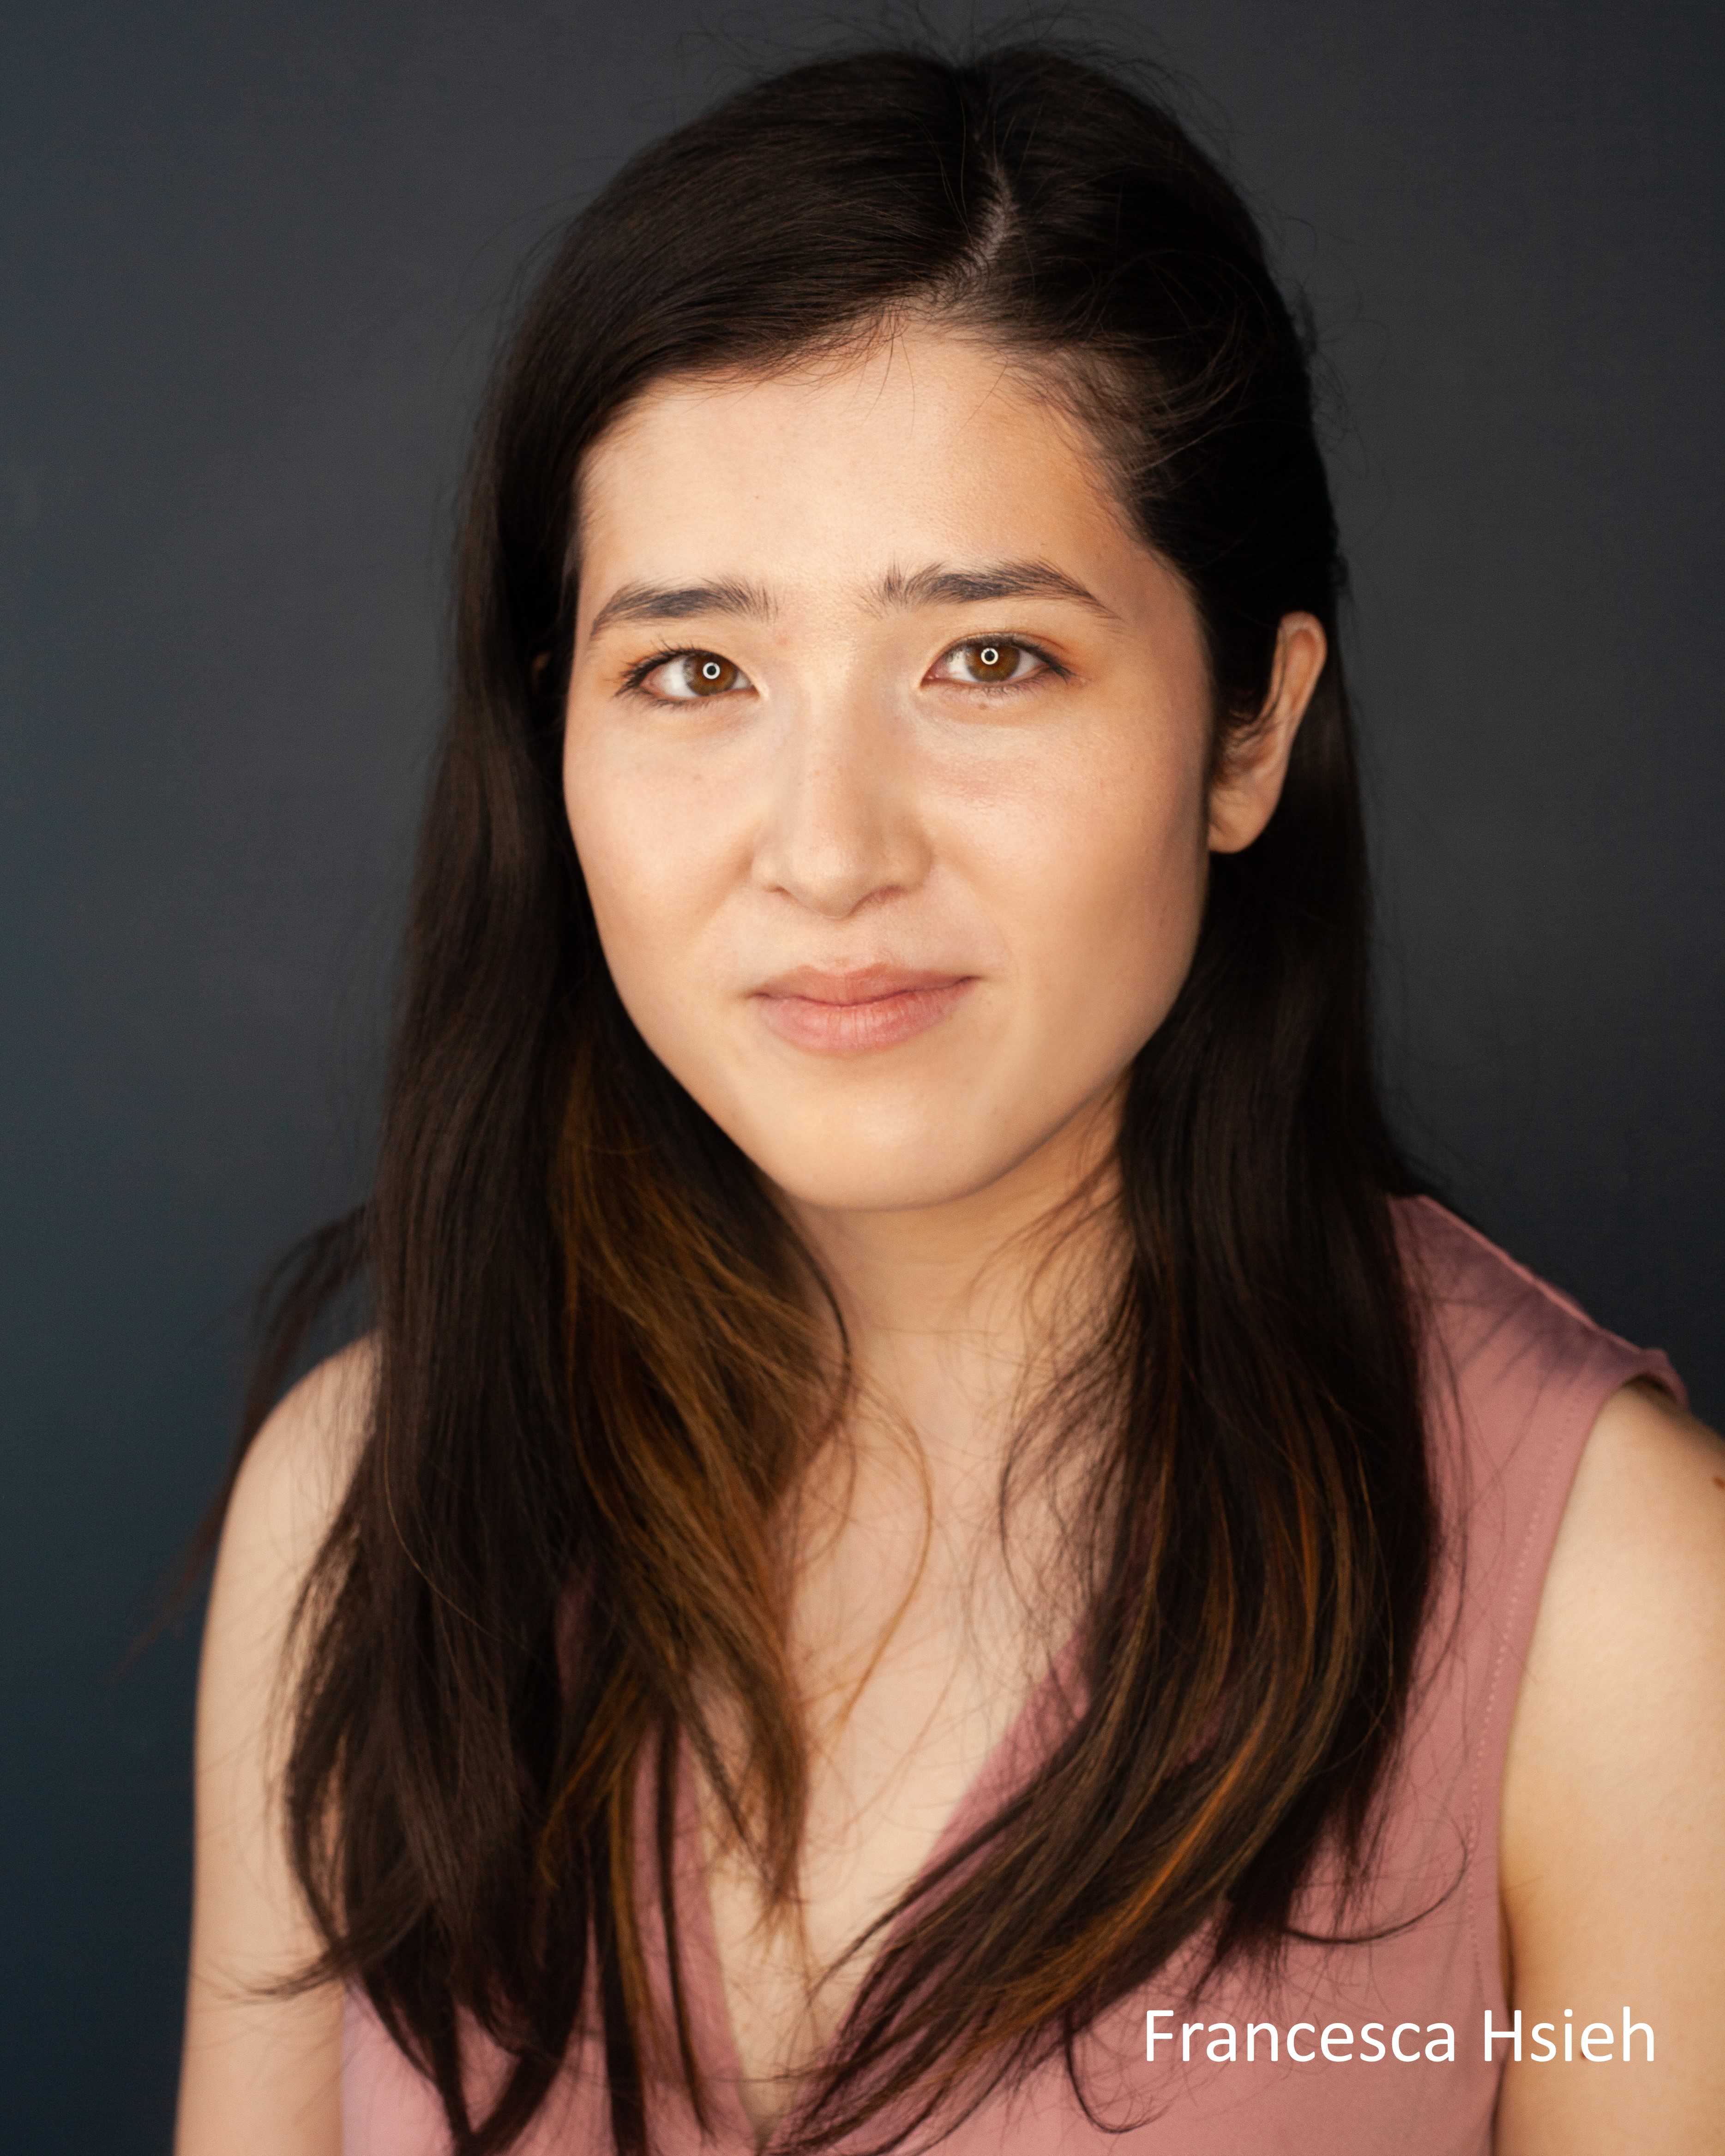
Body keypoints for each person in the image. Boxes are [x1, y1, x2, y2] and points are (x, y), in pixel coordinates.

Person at [174, 42, 1724, 2156]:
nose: (825, 848)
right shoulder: (364, 1502)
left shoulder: (1620, 1608)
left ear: (1248, 730)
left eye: (986, 656)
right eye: (691, 673)